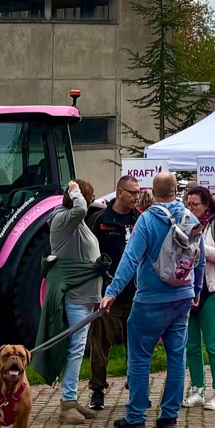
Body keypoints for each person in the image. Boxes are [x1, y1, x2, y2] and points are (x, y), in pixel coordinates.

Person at [99, 172, 205, 428]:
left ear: (153, 192)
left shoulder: (146, 220)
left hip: (150, 300)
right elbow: (199, 258)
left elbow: (130, 259)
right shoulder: (190, 218)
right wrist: (196, 289)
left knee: (139, 356)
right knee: (176, 355)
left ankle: (135, 416)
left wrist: (112, 292)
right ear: (176, 192)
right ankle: (169, 415)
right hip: (182, 297)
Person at [86, 175, 141, 411]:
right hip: (108, 294)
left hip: (136, 294)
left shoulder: (140, 219)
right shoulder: (99, 220)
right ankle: (97, 390)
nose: (136, 197)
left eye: (138, 193)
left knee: (137, 346)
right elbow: (89, 254)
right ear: (119, 192)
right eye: (132, 192)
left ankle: (136, 387)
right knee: (100, 345)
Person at [49, 179, 102, 424]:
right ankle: (67, 402)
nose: (89, 203)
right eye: (88, 198)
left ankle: (71, 397)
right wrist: (76, 191)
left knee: (79, 349)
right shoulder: (63, 219)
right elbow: (80, 209)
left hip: (86, 295)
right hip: (76, 296)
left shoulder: (74, 222)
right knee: (75, 348)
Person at [182, 185, 215, 411]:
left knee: (213, 342)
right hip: (187, 289)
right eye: (188, 204)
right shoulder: (183, 222)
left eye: (195, 204)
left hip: (212, 288)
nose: (191, 208)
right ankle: (197, 389)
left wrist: (200, 246)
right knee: (191, 343)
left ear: (207, 206)